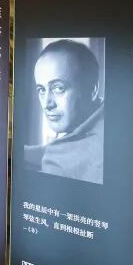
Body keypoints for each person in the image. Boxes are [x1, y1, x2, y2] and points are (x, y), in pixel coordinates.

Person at [23, 40, 104, 184]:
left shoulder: (56, 162)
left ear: (92, 89)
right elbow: (59, 148)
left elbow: (59, 153)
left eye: (58, 88)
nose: (47, 104)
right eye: (41, 90)